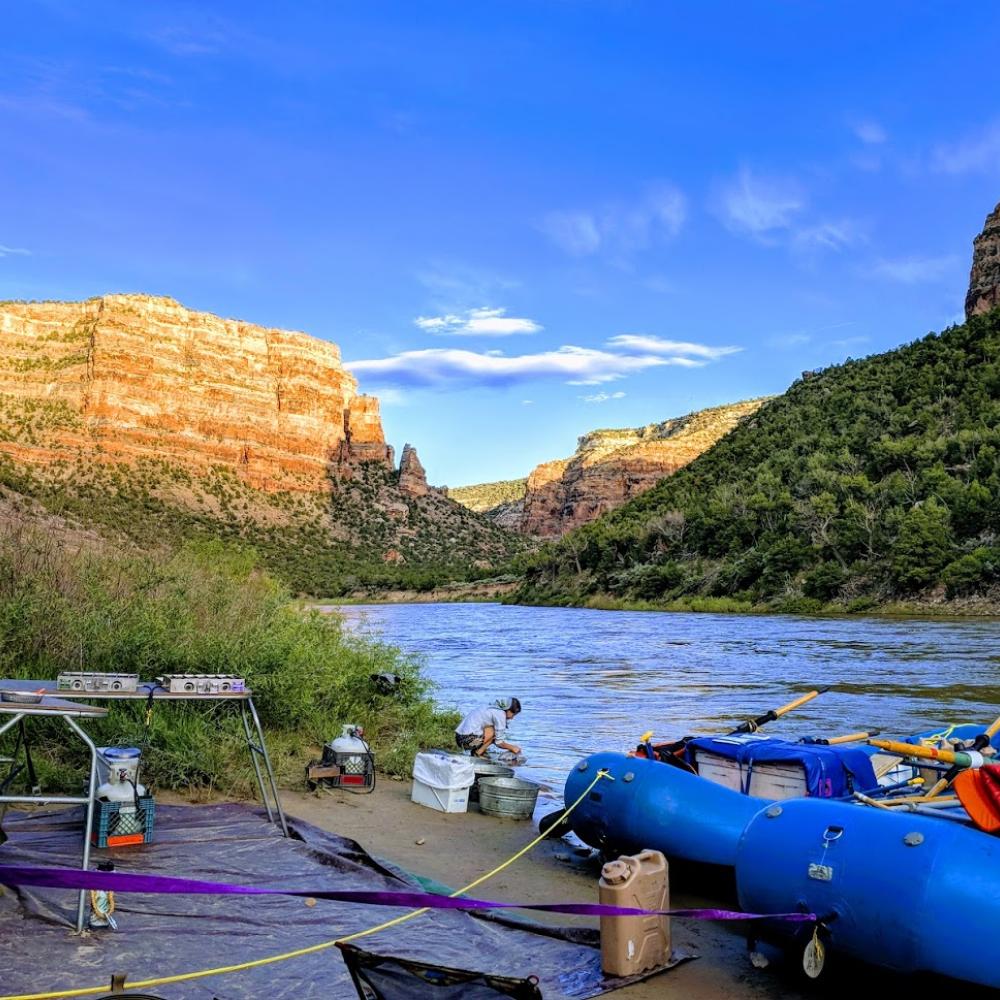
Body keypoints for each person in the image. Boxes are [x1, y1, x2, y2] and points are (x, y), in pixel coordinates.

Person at [455, 697, 522, 757]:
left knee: (489, 729)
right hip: (467, 741)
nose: (512, 718)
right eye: (513, 714)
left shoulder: (492, 708)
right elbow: (498, 742)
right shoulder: (501, 714)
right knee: (494, 732)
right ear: (508, 710)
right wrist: (513, 748)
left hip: (459, 739)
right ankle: (477, 753)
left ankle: (478, 752)